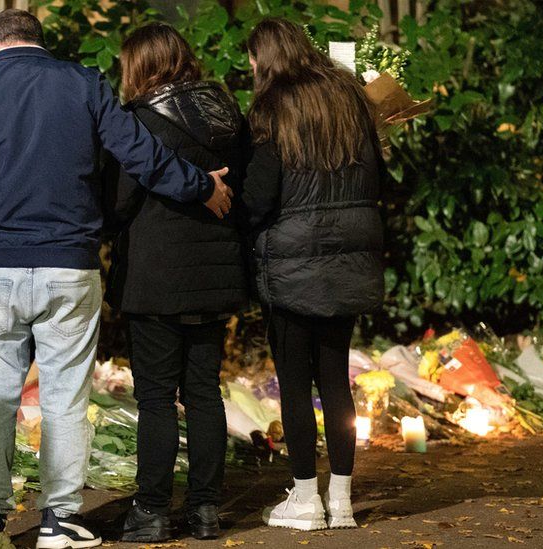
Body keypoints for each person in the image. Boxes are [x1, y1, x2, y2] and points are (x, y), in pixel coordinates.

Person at [0, 10, 234, 549]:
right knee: (64, 397)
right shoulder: (84, 83)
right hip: (69, 262)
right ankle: (58, 520)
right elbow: (141, 154)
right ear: (41, 44)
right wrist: (199, 185)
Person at [102, 23, 250, 543]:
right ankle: (206, 509)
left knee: (158, 398)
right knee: (206, 393)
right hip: (216, 273)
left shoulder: (141, 122)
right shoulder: (226, 113)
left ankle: (152, 510)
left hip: (156, 276)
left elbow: (118, 203)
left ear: (140, 65)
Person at [241, 18, 386, 532]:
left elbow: (260, 194)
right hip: (349, 258)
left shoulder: (272, 109)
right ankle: (342, 499)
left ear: (267, 57)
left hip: (291, 264)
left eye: (253, 58)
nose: (251, 68)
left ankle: (305, 499)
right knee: (335, 378)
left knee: (296, 385)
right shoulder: (350, 98)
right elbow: (379, 177)